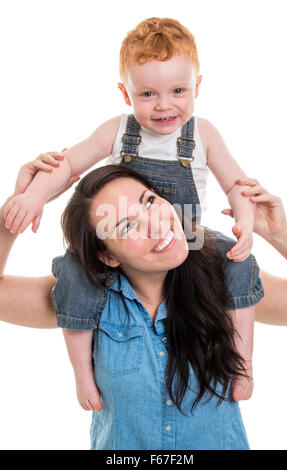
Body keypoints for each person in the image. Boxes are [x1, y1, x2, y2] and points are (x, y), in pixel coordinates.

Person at [2, 17, 258, 405]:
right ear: (125, 94)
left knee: (241, 264)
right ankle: (83, 374)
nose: (164, 105)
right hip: (127, 248)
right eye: (148, 94)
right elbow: (69, 166)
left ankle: (243, 364)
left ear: (197, 87)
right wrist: (33, 197)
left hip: (185, 238)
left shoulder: (202, 134)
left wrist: (246, 221)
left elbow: (238, 185)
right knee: (73, 274)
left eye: (178, 90)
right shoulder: (119, 131)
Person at [0, 157, 264, 450]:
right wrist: (16, 209)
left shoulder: (224, 279)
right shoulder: (85, 301)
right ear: (107, 257)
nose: (156, 224)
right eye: (128, 227)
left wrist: (280, 233)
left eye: (149, 201)